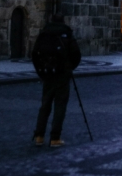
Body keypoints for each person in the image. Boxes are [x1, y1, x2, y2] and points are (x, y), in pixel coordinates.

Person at [32, 14, 82, 147]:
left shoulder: (44, 34)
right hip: (62, 75)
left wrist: (41, 72)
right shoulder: (67, 34)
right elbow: (76, 54)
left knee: (45, 105)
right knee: (60, 106)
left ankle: (39, 136)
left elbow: (34, 54)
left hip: (47, 74)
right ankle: (55, 138)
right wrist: (69, 67)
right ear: (63, 21)